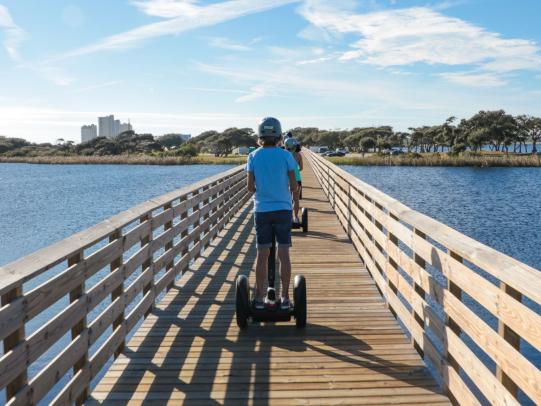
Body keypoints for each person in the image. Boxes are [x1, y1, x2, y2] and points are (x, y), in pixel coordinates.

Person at [246, 117, 298, 310]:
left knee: (262, 254)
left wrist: (264, 186)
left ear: (260, 135)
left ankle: (259, 298)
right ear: (279, 135)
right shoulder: (286, 156)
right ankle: (284, 298)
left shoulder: (253, 156)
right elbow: (294, 186)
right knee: (283, 253)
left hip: (262, 210)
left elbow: (250, 188)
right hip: (283, 209)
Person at [284, 137, 303, 223]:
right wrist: (296, 171)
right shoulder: (298, 155)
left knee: (286, 199)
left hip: (285, 180)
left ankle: (288, 218)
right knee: (296, 199)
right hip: (297, 179)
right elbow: (301, 168)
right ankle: (296, 217)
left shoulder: (283, 154)